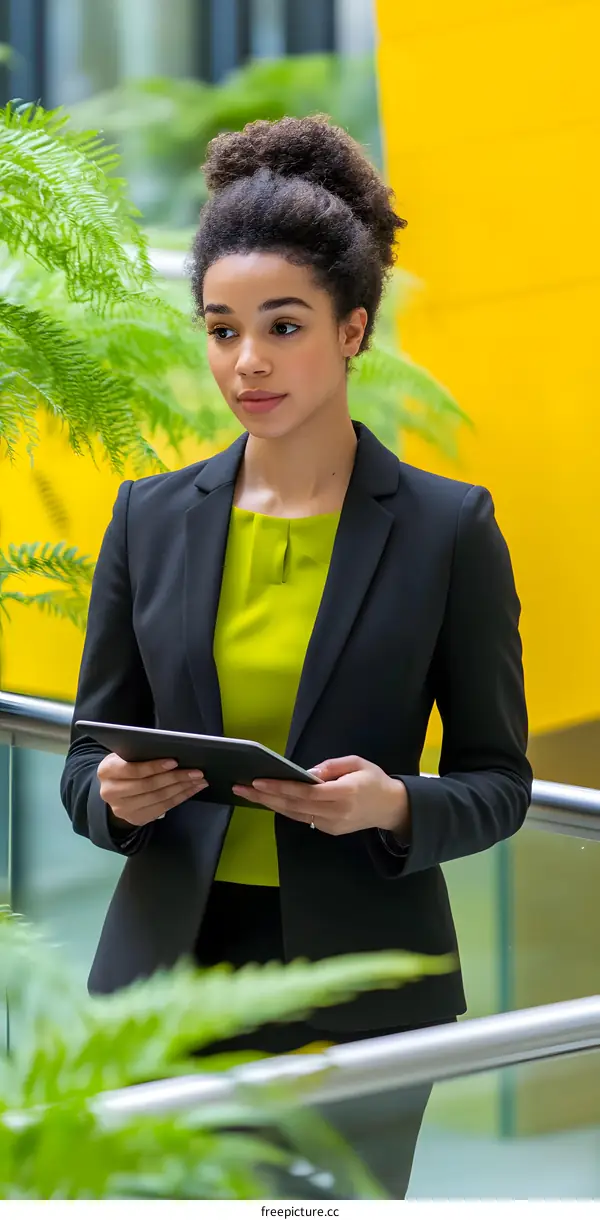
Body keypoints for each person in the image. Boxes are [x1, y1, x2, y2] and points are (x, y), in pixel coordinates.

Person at [60, 115, 532, 1198]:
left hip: (359, 985)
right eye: (221, 329)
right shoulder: (148, 520)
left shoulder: (446, 530)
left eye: (283, 325)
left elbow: (501, 781)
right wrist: (120, 794)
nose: (247, 361)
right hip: (166, 979)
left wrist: (393, 805)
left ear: (354, 328)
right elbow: (86, 767)